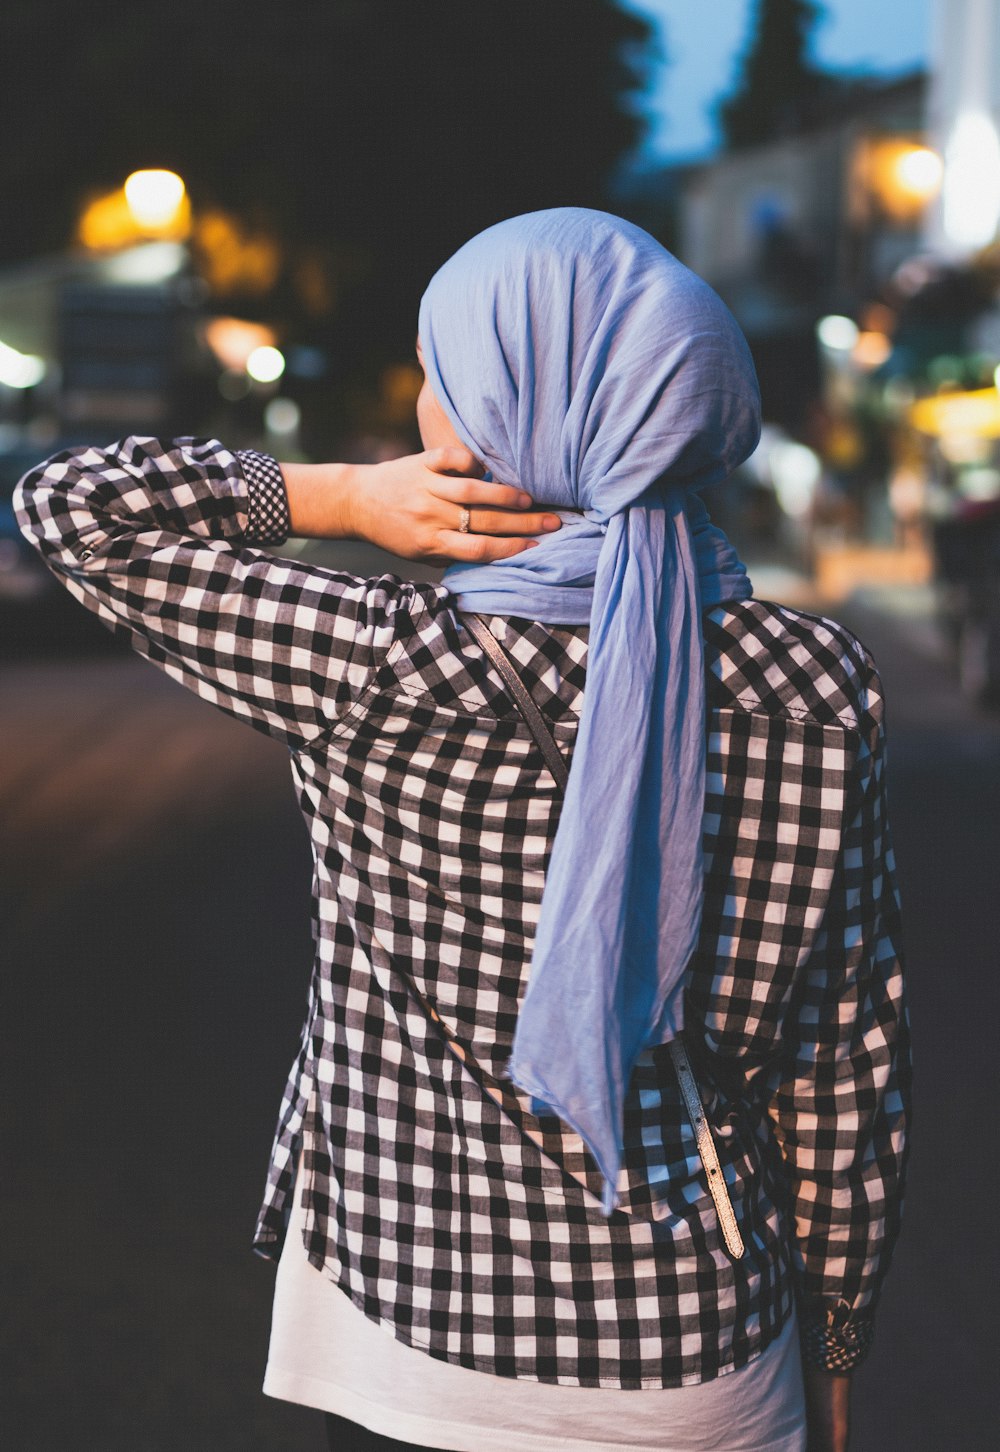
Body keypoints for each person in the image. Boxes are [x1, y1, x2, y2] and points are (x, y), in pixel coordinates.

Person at [16, 208, 910, 1452]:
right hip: (701, 1352)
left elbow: (72, 507)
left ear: (516, 412)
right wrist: (841, 1338)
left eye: (447, 375)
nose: (432, 409)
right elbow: (837, 1057)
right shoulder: (814, 689)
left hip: (411, 1347)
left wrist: (337, 495)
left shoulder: (380, 660)